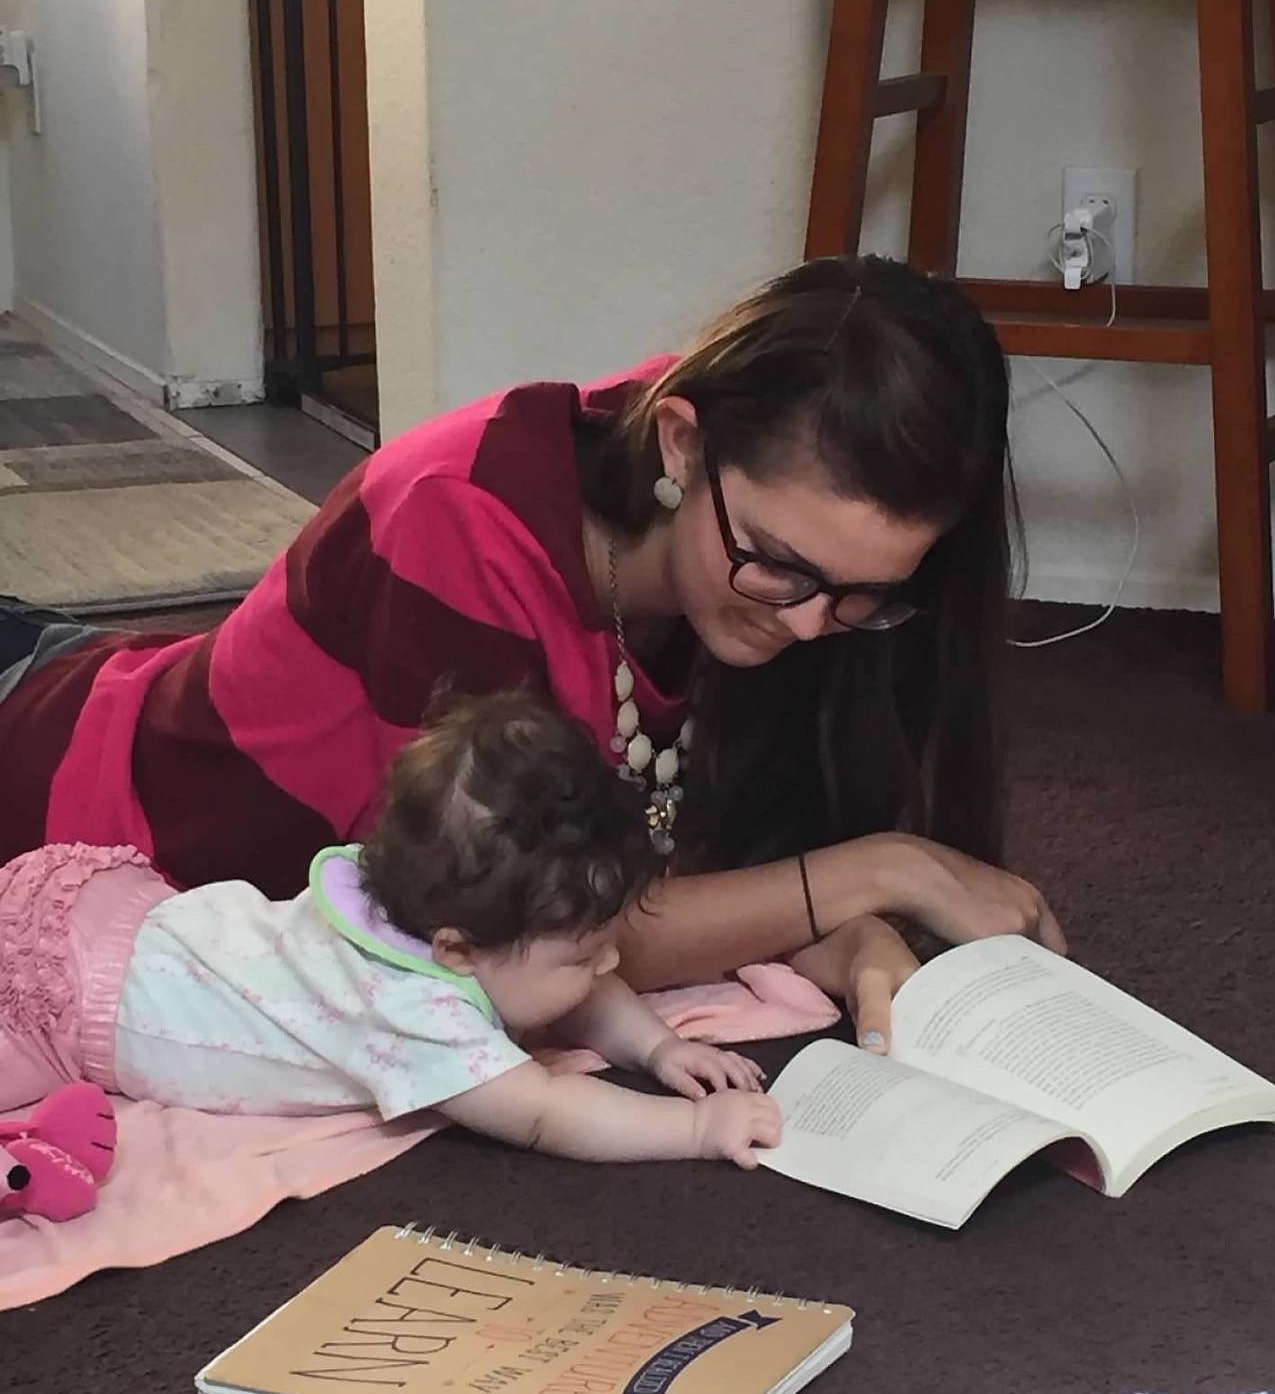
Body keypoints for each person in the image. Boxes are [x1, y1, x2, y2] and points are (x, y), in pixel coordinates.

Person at [0, 254, 1064, 1049]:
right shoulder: (455, 525)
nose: (804, 624)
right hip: (68, 798)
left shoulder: (755, 486)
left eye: (864, 596)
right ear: (682, 444)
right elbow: (528, 938)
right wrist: (887, 870)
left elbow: (687, 853)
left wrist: (835, 928)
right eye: (778, 566)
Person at [0, 692, 782, 1169]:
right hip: (65, 1003)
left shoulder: (422, 896)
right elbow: (545, 1112)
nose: (609, 963)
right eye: (583, 954)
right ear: (454, 950)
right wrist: (694, 1128)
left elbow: (579, 995)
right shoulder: (409, 1010)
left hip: (113, 911)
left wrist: (658, 1048)